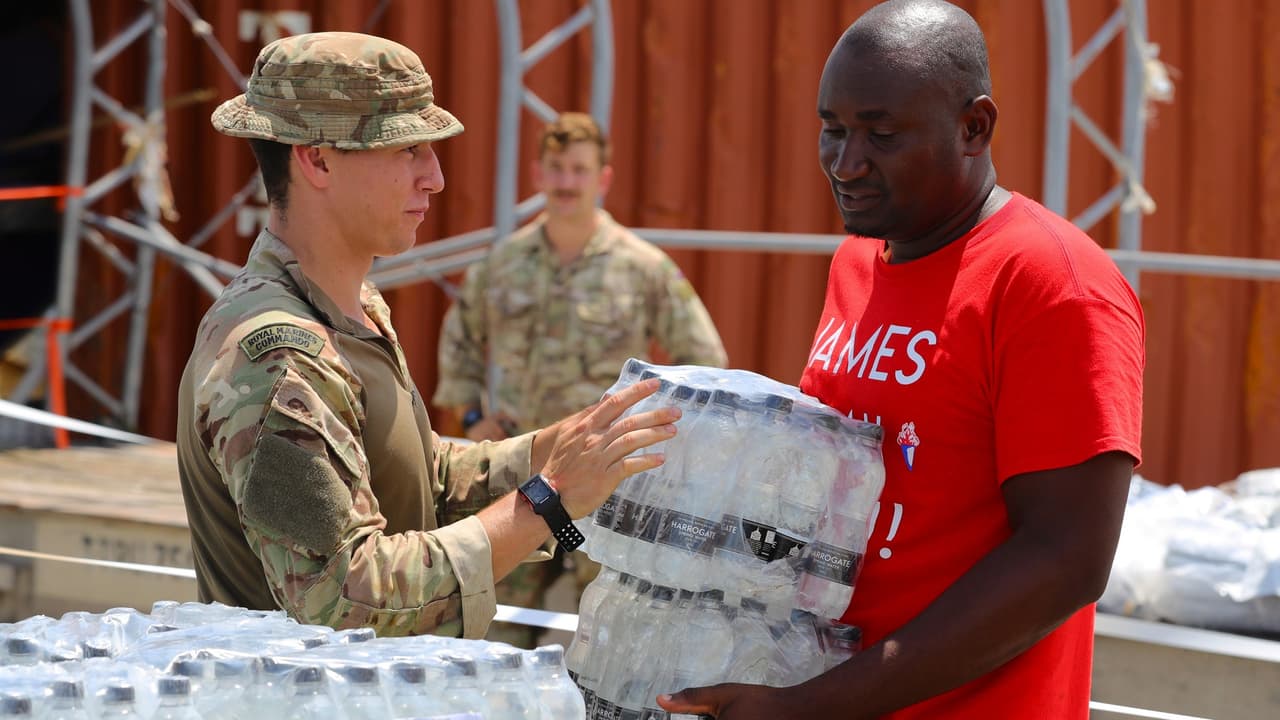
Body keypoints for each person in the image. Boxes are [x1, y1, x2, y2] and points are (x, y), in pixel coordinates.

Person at [659, 1, 1144, 718]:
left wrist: (817, 707)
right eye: (832, 130)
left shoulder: (1052, 285)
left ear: (974, 127)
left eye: (881, 135)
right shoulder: (860, 260)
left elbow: (1065, 561)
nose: (846, 163)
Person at [175, 31, 679, 640]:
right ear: (317, 159)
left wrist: (556, 450)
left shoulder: (349, 310)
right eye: (407, 149)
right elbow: (344, 596)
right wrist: (550, 499)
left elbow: (419, 480)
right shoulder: (280, 355)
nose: (434, 178)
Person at [433, 112, 727, 646]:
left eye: (579, 170)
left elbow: (704, 361)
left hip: (603, 483)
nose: (567, 182)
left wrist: (652, 440)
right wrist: (473, 420)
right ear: (537, 175)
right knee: (496, 632)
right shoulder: (504, 264)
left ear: (603, 179)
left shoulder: (642, 268)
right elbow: (459, 341)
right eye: (557, 169)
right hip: (522, 476)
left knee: (605, 637)